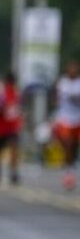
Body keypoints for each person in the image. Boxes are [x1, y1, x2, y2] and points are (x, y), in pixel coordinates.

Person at [0, 71, 23, 186]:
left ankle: (13, 173)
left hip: (12, 128)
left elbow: (17, 110)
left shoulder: (16, 93)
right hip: (0, 128)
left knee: (13, 149)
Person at [53, 59, 80, 191]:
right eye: (71, 69)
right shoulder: (63, 83)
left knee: (74, 146)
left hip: (77, 119)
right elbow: (57, 98)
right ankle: (68, 172)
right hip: (65, 119)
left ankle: (71, 167)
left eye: (75, 69)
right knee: (67, 144)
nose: (73, 71)